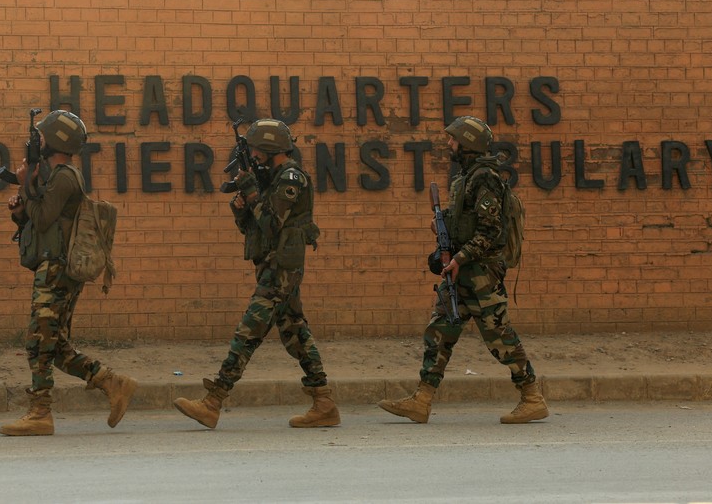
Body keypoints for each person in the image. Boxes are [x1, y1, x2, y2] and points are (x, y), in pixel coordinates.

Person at [377, 116, 549, 424]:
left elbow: (490, 230)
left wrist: (459, 258)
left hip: (481, 271)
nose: (449, 144)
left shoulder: (485, 178)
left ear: (467, 144)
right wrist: (443, 222)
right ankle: (422, 399)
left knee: (499, 336)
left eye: (454, 140)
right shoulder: (467, 177)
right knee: (439, 333)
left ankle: (532, 397)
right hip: (460, 270)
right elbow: (465, 217)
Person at [173, 119, 340, 429]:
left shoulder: (291, 178)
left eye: (255, 149)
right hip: (273, 265)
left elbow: (273, 223)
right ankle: (324, 402)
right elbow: (255, 227)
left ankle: (213, 401)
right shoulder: (272, 179)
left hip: (282, 270)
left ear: (269, 148)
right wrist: (243, 207)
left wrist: (251, 192)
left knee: (249, 330)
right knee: (294, 332)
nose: (252, 154)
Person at [0, 110, 138, 436]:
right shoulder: (54, 175)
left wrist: (26, 186)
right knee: (55, 345)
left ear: (56, 141)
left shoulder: (65, 176)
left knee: (38, 341)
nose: (39, 141)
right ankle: (112, 383)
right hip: (53, 266)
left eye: (43, 137)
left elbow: (45, 217)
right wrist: (21, 212)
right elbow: (40, 222)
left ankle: (40, 412)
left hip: (57, 269)